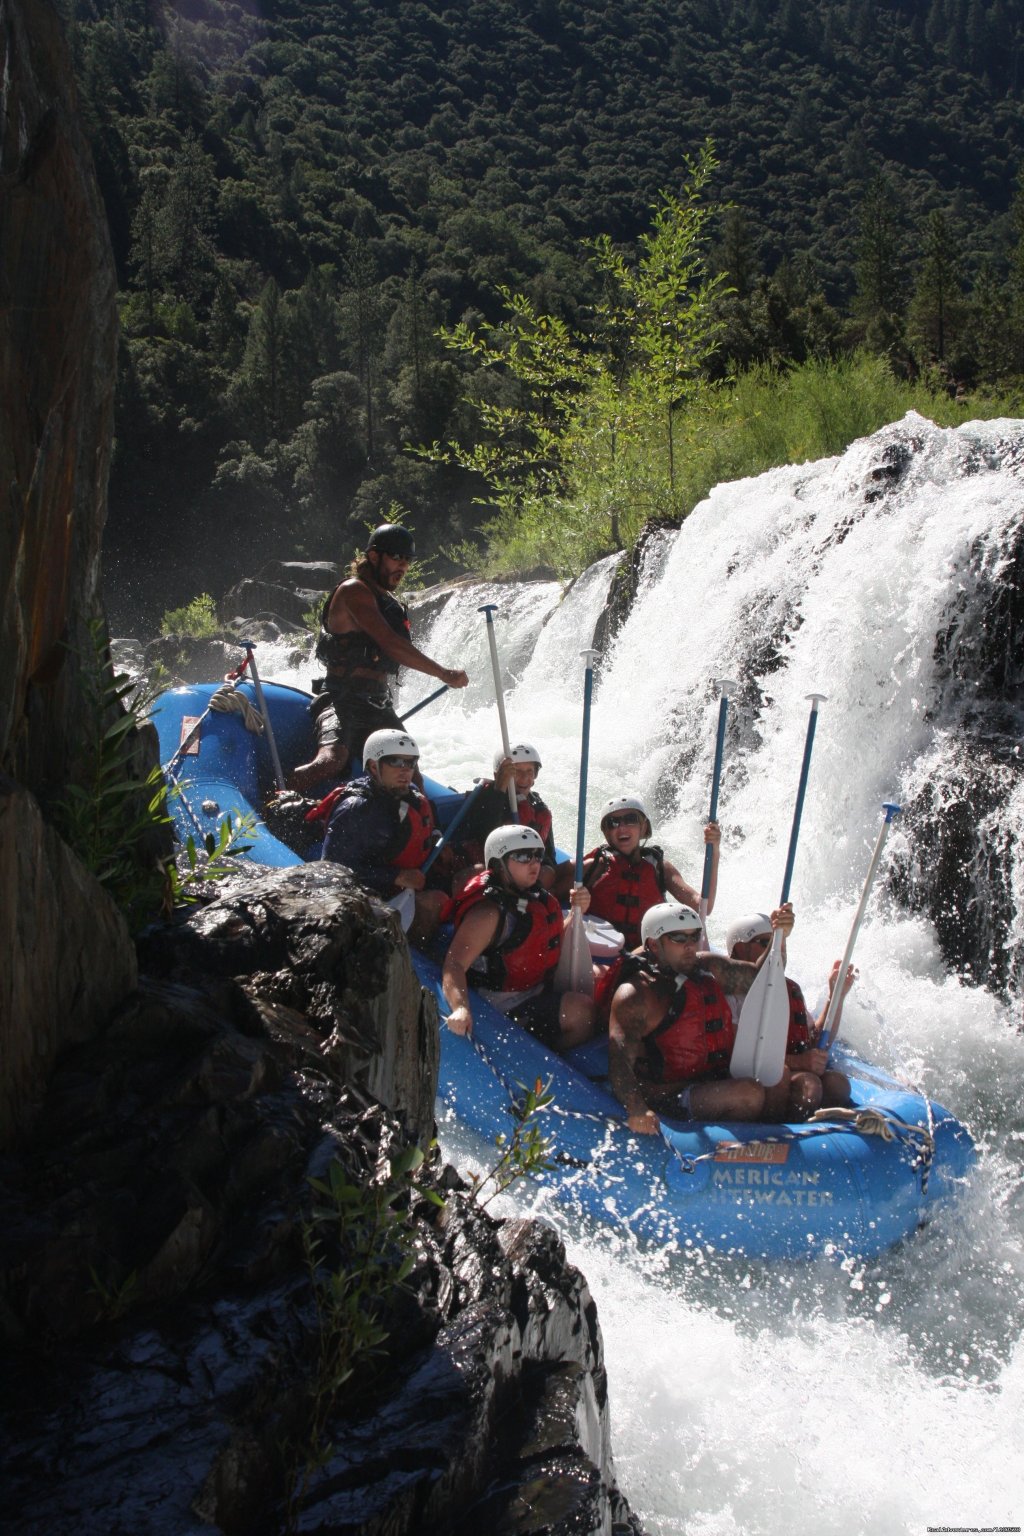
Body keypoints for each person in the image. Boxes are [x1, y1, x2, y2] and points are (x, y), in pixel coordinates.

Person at [608, 901, 826, 1132]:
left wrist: (778, 937)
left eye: (694, 936)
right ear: (653, 944)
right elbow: (619, 1062)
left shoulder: (709, 967)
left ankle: (775, 1144)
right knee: (749, 1094)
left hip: (713, 1080)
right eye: (679, 939)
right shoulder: (637, 995)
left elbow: (762, 979)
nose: (690, 946)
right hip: (669, 1094)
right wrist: (637, 1110)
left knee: (777, 1077)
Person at [291, 523, 468, 791]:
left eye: (407, 559)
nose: (403, 566)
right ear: (374, 556)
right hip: (341, 698)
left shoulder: (388, 600)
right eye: (396, 557)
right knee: (332, 761)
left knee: (412, 774)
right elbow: (389, 643)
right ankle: (274, 799)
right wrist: (443, 673)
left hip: (377, 703)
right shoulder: (354, 590)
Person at [442, 824, 593, 1050]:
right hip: (501, 1002)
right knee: (582, 1012)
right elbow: (453, 965)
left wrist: (576, 912)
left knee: (595, 983)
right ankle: (547, 1061)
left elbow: (548, 940)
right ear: (498, 865)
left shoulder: (536, 898)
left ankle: (553, 1054)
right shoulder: (488, 914)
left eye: (537, 855)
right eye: (522, 856)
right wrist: (460, 1007)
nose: (534, 863)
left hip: (535, 987)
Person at [320, 728, 447, 944]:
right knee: (434, 902)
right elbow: (332, 868)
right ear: (373, 766)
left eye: (410, 762)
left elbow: (427, 827)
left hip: (408, 879)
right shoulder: (357, 809)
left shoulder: (413, 795)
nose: (405, 770)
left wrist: (436, 838)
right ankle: (412, 956)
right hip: (373, 892)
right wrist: (395, 876)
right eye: (395, 761)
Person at [555, 794, 721, 949]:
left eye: (630, 820)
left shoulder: (660, 868)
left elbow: (703, 908)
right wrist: (575, 903)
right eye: (613, 823)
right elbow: (550, 895)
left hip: (646, 954)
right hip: (600, 951)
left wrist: (714, 852)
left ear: (643, 827)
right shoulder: (594, 866)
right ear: (606, 833)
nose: (622, 828)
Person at [725, 912, 853, 1109]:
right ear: (740, 949)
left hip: (788, 1070)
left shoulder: (789, 989)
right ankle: (777, 1132)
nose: (779, 949)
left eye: (782, 941)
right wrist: (799, 1062)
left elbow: (816, 1040)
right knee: (806, 1086)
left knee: (838, 1086)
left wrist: (836, 996)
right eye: (768, 942)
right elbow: (734, 1052)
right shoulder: (729, 996)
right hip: (750, 1077)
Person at [455, 743, 559, 890]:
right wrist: (499, 791)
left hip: (528, 866)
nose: (524, 777)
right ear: (499, 775)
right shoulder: (486, 799)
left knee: (554, 871)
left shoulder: (537, 805)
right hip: (498, 869)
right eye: (516, 771)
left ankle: (536, 898)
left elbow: (548, 851)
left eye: (530, 771)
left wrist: (544, 867)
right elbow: (485, 836)